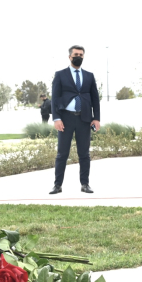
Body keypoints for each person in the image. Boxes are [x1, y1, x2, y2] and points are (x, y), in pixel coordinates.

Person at [51, 45, 101, 194]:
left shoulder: (89, 76)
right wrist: (56, 118)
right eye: (76, 54)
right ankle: (57, 185)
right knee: (62, 154)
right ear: (70, 57)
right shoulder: (60, 75)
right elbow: (55, 98)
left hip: (84, 119)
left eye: (81, 54)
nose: (78, 56)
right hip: (65, 119)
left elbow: (95, 99)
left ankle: (85, 184)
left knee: (84, 154)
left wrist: (96, 118)